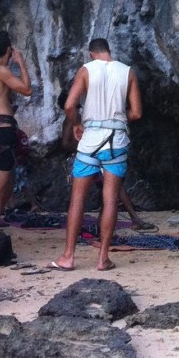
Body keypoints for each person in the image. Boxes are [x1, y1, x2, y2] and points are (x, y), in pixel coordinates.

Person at [52, 37, 143, 272]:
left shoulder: (86, 70)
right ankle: (103, 259)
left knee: (77, 200)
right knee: (110, 198)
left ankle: (68, 257)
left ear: (91, 53)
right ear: (107, 51)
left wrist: (76, 125)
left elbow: (70, 105)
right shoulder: (128, 72)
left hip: (90, 140)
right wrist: (118, 118)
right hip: (116, 140)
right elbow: (136, 113)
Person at [59, 100, 155, 231]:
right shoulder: (71, 120)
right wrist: (88, 145)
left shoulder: (80, 118)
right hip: (83, 156)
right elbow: (65, 144)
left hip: (91, 154)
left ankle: (112, 221)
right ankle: (132, 219)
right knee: (97, 190)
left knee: (112, 185)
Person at [0, 29, 32, 232]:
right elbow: (27, 90)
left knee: (8, 181)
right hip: (0, 131)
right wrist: (21, 63)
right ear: (9, 49)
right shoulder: (1, 70)